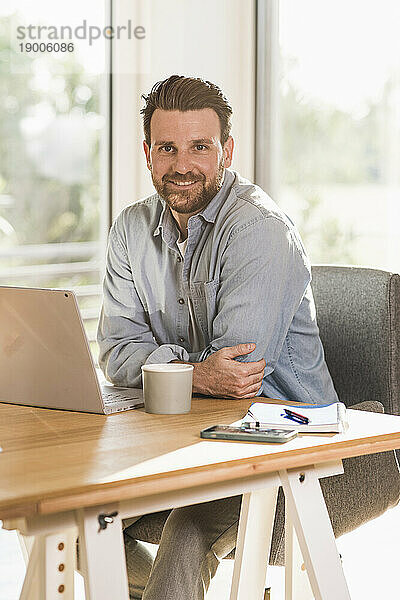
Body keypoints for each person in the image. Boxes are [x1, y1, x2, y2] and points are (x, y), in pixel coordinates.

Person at [97, 75, 338, 599]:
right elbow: (117, 356)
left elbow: (240, 376)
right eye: (167, 148)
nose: (182, 165)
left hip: (283, 446)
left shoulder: (258, 229)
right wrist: (199, 371)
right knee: (86, 513)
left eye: (200, 147)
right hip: (181, 443)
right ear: (147, 154)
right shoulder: (129, 231)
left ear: (226, 151)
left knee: (187, 529)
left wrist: (164, 368)